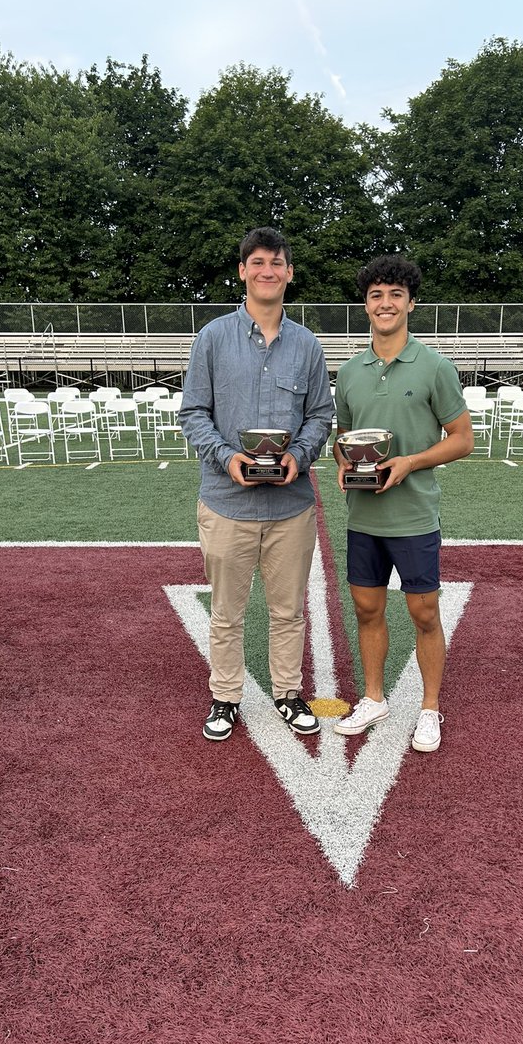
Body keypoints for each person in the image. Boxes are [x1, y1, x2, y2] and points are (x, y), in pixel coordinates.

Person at [179, 226, 334, 742]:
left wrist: (299, 455)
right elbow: (194, 412)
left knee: (288, 611)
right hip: (227, 503)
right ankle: (225, 696)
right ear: (243, 270)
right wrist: (227, 459)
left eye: (277, 262)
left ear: (290, 273)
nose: (268, 271)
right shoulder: (213, 338)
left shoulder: (307, 345)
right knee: (227, 613)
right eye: (258, 262)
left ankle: (287, 692)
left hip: (290, 505)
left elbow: (320, 415)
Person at [332, 255, 473, 753]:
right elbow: (344, 438)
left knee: (425, 612)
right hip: (364, 517)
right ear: (365, 305)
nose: (385, 303)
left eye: (395, 294)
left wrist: (410, 462)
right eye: (376, 295)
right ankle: (374, 698)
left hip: (413, 516)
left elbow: (463, 439)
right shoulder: (349, 372)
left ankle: (430, 707)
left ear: (411, 303)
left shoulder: (435, 366)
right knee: (367, 609)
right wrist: (342, 461)